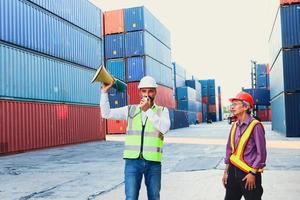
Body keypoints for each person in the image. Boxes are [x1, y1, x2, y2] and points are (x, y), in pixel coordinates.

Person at [100, 76, 171, 200]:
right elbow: (106, 114)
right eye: (144, 91)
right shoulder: (130, 110)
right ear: (139, 92)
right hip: (132, 162)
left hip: (153, 163)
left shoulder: (162, 111)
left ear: (155, 91)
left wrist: (148, 110)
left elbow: (164, 128)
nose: (147, 94)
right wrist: (104, 92)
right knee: (131, 198)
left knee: (154, 197)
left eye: (150, 91)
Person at [222, 91, 267, 200]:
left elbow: (261, 153)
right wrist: (226, 172)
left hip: (249, 174)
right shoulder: (234, 126)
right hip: (233, 171)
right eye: (232, 105)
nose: (232, 107)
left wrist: (253, 173)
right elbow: (229, 150)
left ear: (246, 107)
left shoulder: (256, 126)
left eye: (236, 104)